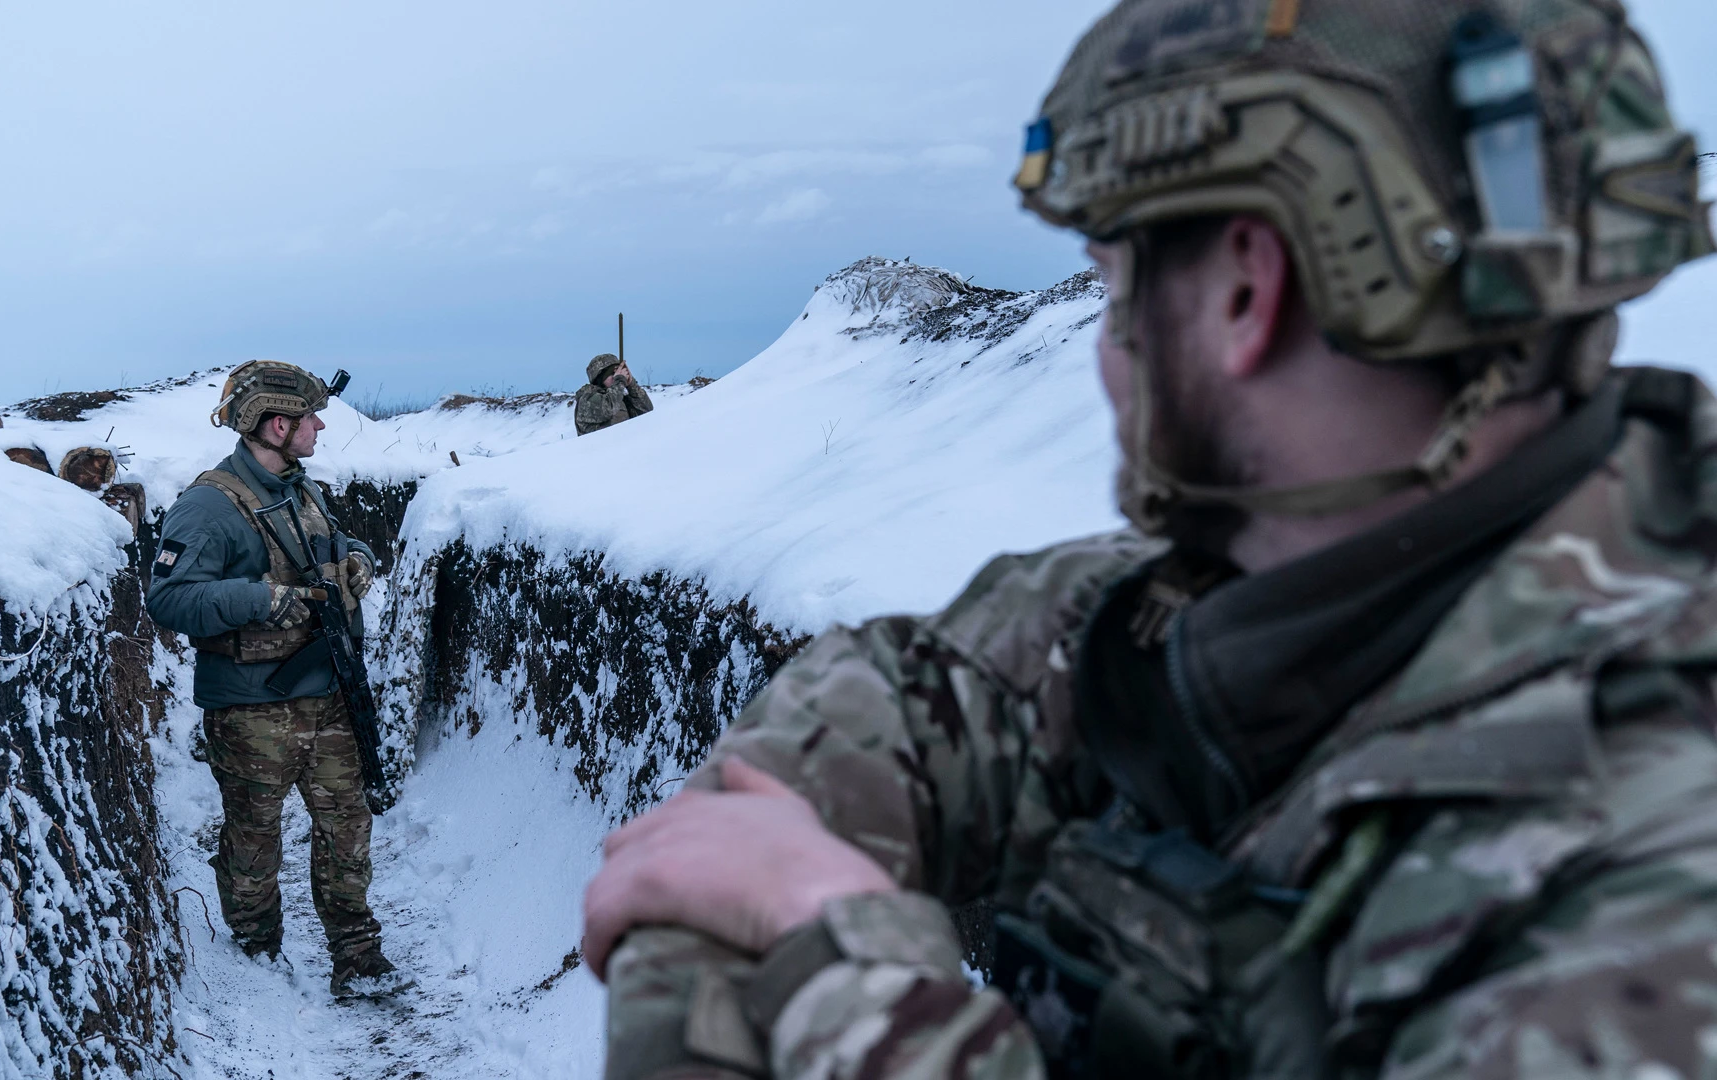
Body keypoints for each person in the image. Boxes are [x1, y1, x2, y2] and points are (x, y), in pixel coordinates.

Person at [583, 1, 1717, 1076]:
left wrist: (831, 963)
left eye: (1116, 287)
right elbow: (893, 700)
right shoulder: (1251, 606)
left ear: (1243, 294)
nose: (1110, 350)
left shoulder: (1657, 887)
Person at [147, 360, 410, 999]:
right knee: (254, 837)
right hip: (250, 708)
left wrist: (358, 561)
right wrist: (265, 599)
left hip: (328, 694)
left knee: (347, 826)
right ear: (275, 423)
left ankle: (357, 953)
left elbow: (340, 540)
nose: (320, 426)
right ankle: (255, 951)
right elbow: (170, 599)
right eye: (309, 417)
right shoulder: (207, 506)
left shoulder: (302, 488)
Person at [575, 352, 654, 436]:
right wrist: (619, 380)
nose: (616, 376)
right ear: (600, 379)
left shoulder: (619, 398)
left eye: (618, 372)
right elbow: (609, 408)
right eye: (612, 373)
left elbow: (646, 412)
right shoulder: (587, 400)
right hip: (599, 448)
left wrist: (631, 385)